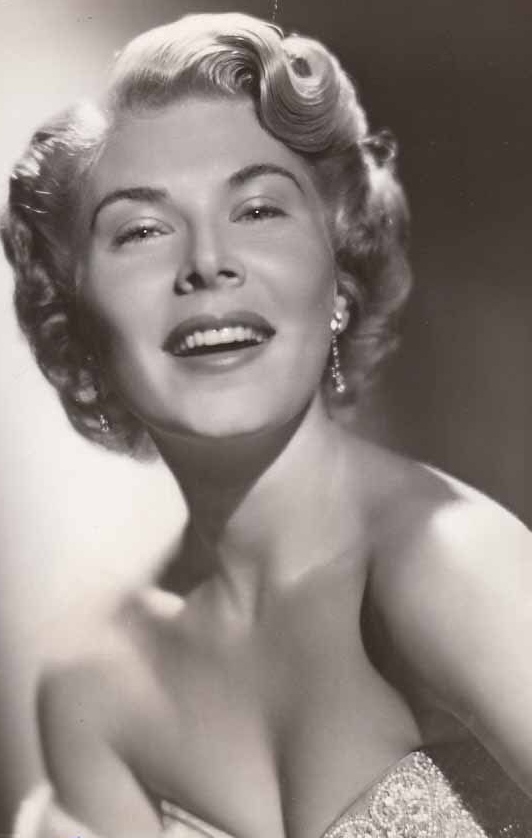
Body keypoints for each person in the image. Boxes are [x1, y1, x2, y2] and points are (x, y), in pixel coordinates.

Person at [3, 12, 532, 838]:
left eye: (256, 210)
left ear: (339, 278)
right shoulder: (96, 684)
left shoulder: (449, 563)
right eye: (142, 230)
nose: (207, 263)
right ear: (77, 320)